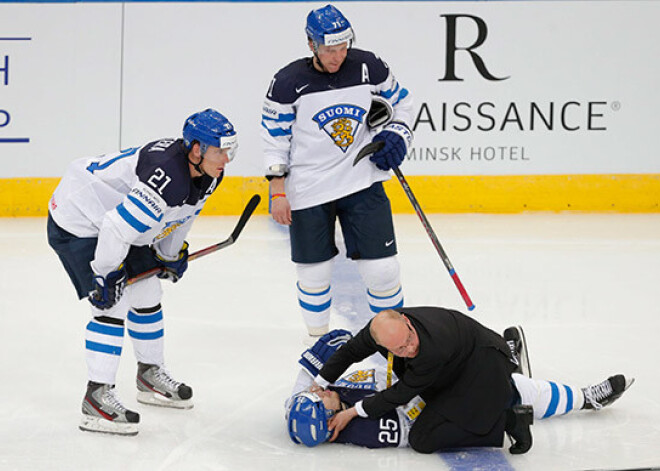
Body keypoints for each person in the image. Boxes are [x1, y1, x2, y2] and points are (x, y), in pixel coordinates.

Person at [47, 108, 238, 436]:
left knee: (148, 290)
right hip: (79, 218)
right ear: (196, 149)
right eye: (220, 150)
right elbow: (115, 228)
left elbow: (183, 215)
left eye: (229, 150)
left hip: (111, 216)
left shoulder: (209, 173)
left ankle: (149, 374)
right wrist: (106, 275)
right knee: (111, 302)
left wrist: (169, 254)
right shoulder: (164, 175)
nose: (226, 159)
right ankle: (96, 397)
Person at [261, 4, 414, 342]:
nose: (338, 56)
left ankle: (395, 340)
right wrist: (278, 191)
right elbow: (274, 138)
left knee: (383, 270)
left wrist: (397, 135)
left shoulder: (369, 66)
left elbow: (402, 104)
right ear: (312, 44)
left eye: (343, 47)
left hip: (363, 179)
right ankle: (318, 340)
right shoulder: (287, 82)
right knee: (314, 274)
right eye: (330, 49)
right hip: (308, 187)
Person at [288, 309, 634, 453]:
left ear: (407, 322)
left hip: (475, 362)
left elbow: (403, 391)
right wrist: (319, 382)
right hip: (455, 365)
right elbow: (350, 352)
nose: (407, 348)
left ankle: (582, 398)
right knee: (430, 433)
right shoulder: (386, 334)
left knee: (510, 392)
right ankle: (518, 393)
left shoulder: (429, 349)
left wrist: (345, 407)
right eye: (397, 348)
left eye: (408, 342)